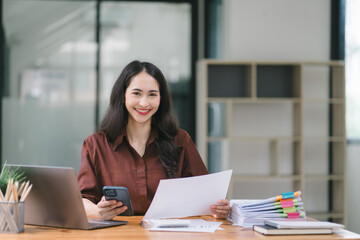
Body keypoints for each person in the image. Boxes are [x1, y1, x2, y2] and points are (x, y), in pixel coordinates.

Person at [77, 60, 230, 220]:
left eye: (152, 94)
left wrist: (218, 208)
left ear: (160, 98)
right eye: (136, 93)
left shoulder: (180, 140)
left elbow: (205, 195)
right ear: (123, 96)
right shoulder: (95, 145)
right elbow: (82, 200)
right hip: (118, 234)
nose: (144, 103)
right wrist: (98, 211)